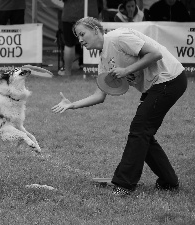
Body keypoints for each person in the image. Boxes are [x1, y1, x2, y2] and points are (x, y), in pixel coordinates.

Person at [52, 17, 187, 196]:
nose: (80, 40)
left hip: (169, 79)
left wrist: (126, 71)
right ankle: (168, 182)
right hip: (155, 86)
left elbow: (155, 54)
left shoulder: (118, 37)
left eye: (82, 34)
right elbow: (99, 95)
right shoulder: (104, 60)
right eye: (77, 37)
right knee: (143, 133)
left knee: (140, 130)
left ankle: (124, 184)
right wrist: (72, 105)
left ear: (95, 29)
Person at [58, 0, 98, 76]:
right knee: (93, 42)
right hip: (90, 13)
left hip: (70, 14)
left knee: (69, 44)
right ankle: (93, 71)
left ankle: (67, 72)